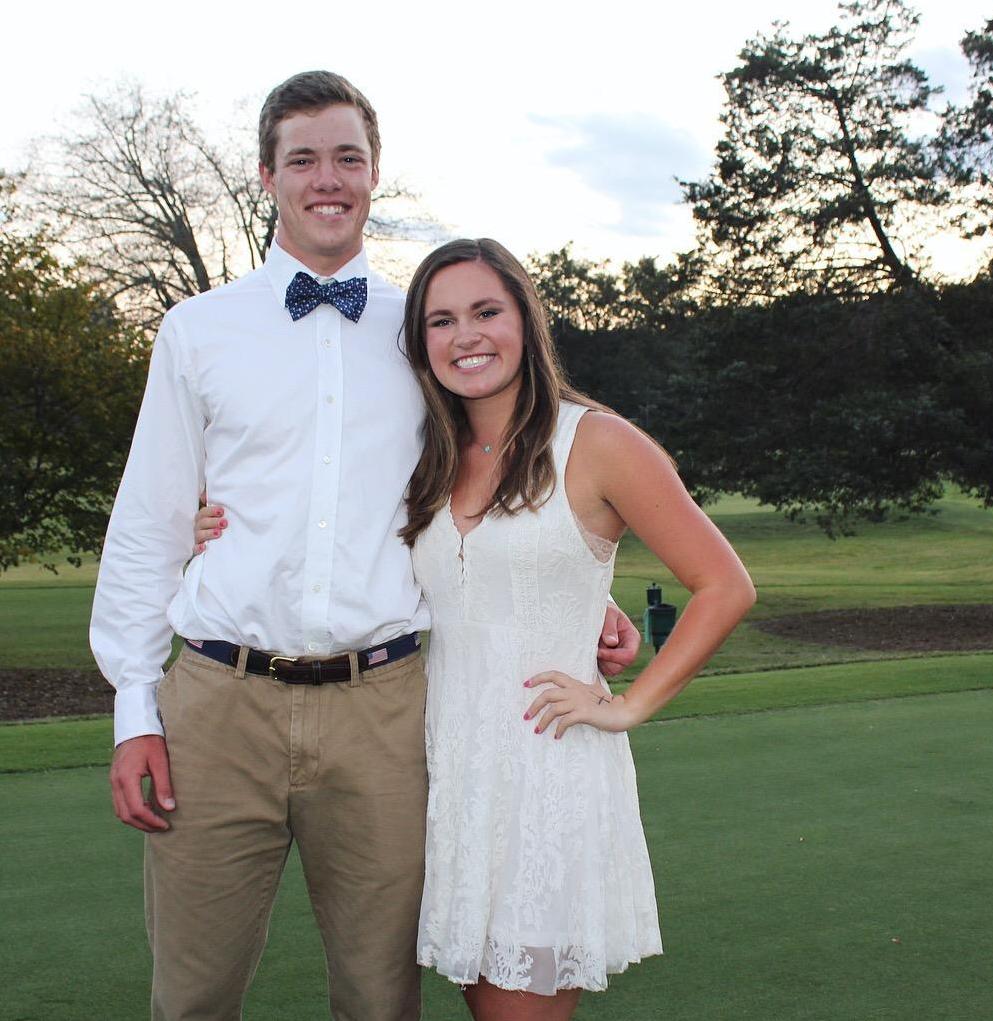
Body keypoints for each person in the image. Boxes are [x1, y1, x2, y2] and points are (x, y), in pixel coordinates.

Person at [89, 72, 639, 1021]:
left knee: (382, 1002)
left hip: (384, 710)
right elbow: (146, 526)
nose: (326, 177)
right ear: (267, 175)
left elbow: (488, 477)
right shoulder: (196, 332)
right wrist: (134, 709)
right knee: (193, 997)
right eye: (303, 159)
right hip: (217, 705)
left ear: (374, 172)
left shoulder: (429, 331)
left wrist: (575, 592)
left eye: (347, 156)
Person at [195, 238, 757, 1020]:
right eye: (441, 319)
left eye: (486, 311)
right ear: (420, 343)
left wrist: (625, 705)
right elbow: (348, 538)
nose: (466, 335)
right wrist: (211, 526)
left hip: (543, 773)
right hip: (446, 771)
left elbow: (724, 584)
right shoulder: (429, 453)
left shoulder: (596, 441)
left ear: (524, 320)